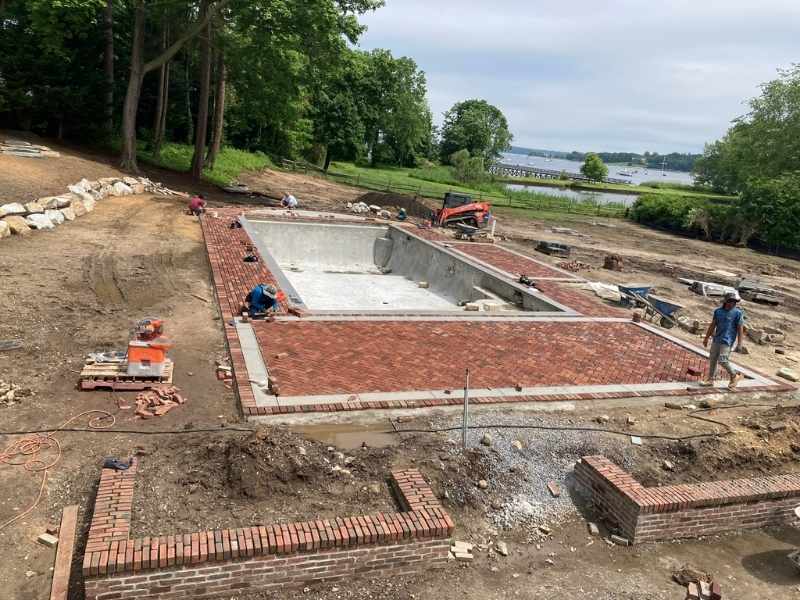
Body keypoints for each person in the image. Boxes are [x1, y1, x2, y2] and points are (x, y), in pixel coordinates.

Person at [700, 291, 745, 389]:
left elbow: (740, 329)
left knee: (723, 360)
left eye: (734, 302)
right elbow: (713, 325)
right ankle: (710, 380)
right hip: (717, 339)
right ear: (725, 301)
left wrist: (740, 343)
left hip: (727, 341)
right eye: (730, 301)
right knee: (713, 359)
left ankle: (734, 375)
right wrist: (706, 338)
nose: (732, 304)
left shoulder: (737, 313)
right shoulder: (718, 312)